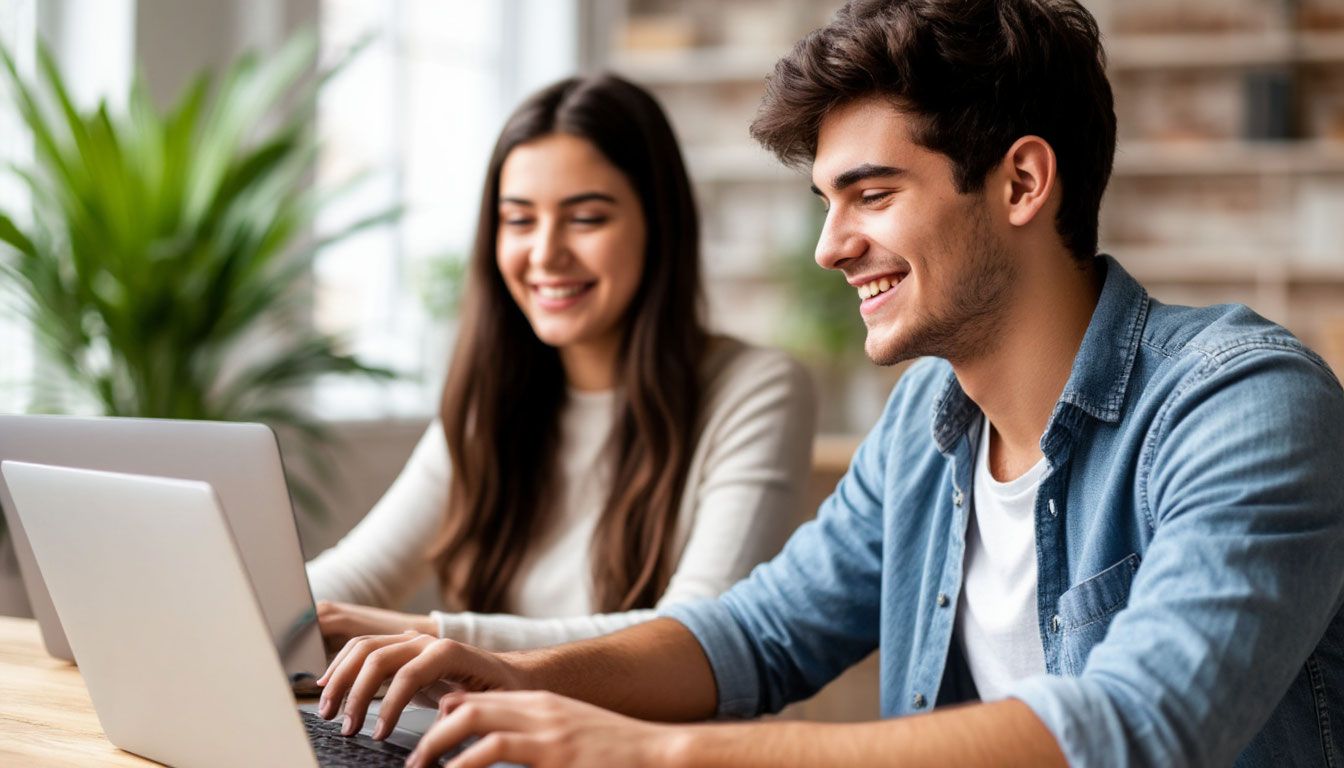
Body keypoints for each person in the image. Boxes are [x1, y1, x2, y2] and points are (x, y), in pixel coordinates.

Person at [316, 1, 1344, 765]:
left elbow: (1135, 723)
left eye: (872, 194)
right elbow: (756, 635)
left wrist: (650, 752)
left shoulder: (1243, 405)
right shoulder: (922, 430)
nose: (829, 246)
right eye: (825, 200)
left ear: (1024, 182)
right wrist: (518, 678)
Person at [304, 74, 816, 658]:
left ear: (659, 226)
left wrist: (440, 639)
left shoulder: (757, 389)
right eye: (519, 220)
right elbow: (353, 580)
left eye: (586, 218)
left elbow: (694, 637)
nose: (545, 253)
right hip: (491, 741)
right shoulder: (492, 399)